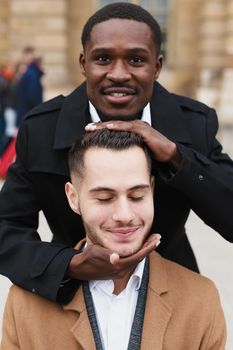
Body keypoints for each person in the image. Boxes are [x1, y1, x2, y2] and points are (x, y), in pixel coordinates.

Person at [0, 2, 233, 304]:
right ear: (84, 64)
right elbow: (7, 229)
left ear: (157, 66)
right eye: (103, 58)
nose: (119, 74)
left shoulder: (192, 124)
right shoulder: (42, 129)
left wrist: (178, 158)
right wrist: (68, 264)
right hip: (69, 294)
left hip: (171, 297)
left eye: (136, 60)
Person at [0, 130, 226, 350]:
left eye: (137, 196)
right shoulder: (24, 304)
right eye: (104, 198)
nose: (124, 215)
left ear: (152, 190)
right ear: (73, 198)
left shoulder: (201, 300)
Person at [14, 46, 44, 127]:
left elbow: (33, 96)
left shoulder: (31, 73)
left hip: (27, 114)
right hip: (27, 113)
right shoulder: (30, 72)